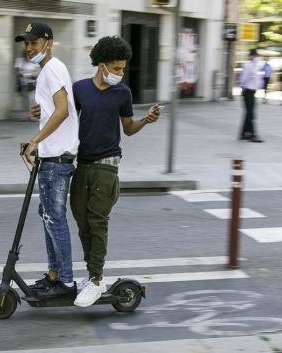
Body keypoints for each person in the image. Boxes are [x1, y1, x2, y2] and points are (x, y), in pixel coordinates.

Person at [69, 36, 160, 307]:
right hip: (82, 165)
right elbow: (64, 117)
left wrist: (146, 119)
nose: (120, 74)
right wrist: (40, 112)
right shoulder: (80, 89)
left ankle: (96, 280)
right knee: (82, 223)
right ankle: (92, 276)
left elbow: (128, 129)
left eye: (122, 69)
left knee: (97, 223)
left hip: (107, 167)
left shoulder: (123, 94)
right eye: (117, 68)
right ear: (101, 65)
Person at [16, 22, 80, 297]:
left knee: (55, 219)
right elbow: (56, 108)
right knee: (48, 216)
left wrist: (35, 141)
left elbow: (63, 110)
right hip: (52, 156)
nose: (29, 48)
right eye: (26, 44)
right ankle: (54, 274)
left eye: (34, 42)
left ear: (48, 42)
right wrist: (41, 112)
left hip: (56, 158)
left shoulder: (52, 68)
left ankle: (65, 281)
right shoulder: (48, 71)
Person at [238, 48, 264, 143]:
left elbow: (258, 78)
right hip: (248, 91)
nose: (256, 57)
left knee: (249, 113)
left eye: (257, 56)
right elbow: (243, 78)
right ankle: (253, 134)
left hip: (253, 91)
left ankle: (244, 134)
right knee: (251, 113)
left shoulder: (256, 66)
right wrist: (243, 88)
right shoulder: (248, 65)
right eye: (254, 56)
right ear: (251, 56)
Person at [14, 50, 40, 120]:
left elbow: (37, 71)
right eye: (28, 54)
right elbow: (17, 71)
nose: (30, 55)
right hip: (23, 83)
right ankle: (26, 115)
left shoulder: (35, 61)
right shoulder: (20, 60)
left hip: (32, 83)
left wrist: (26, 73)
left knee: (32, 100)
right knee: (24, 101)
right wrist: (28, 73)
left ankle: (33, 116)